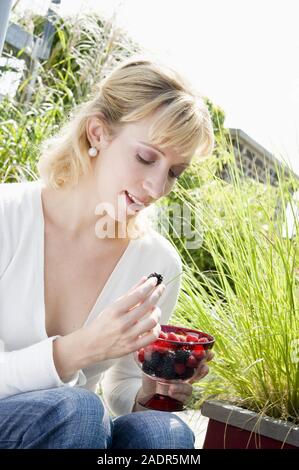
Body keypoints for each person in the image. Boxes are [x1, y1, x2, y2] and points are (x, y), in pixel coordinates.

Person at [0, 56, 215, 449]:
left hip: (73, 432)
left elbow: (123, 388)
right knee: (78, 409)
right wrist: (80, 349)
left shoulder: (157, 263)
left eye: (173, 172)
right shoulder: (7, 215)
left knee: (164, 434)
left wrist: (154, 386)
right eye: (146, 158)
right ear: (98, 133)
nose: (156, 187)